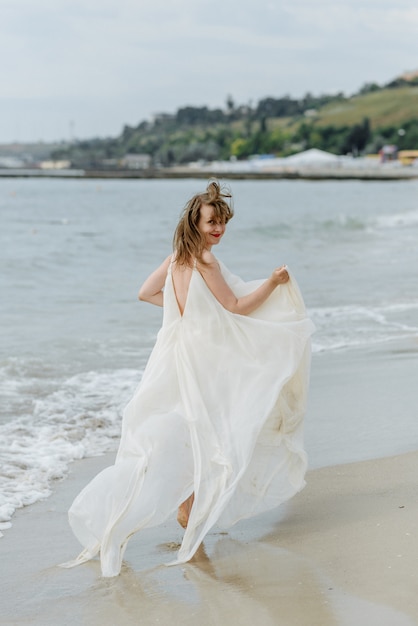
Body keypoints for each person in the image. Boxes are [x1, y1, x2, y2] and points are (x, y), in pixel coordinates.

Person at [61, 181, 315, 577]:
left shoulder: (176, 258)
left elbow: (146, 293)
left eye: (222, 222)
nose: (218, 229)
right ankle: (187, 510)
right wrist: (273, 283)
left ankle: (167, 509)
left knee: (179, 430)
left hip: (172, 353)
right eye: (212, 222)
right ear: (194, 222)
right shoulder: (205, 262)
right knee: (212, 426)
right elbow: (236, 306)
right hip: (202, 358)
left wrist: (190, 313)